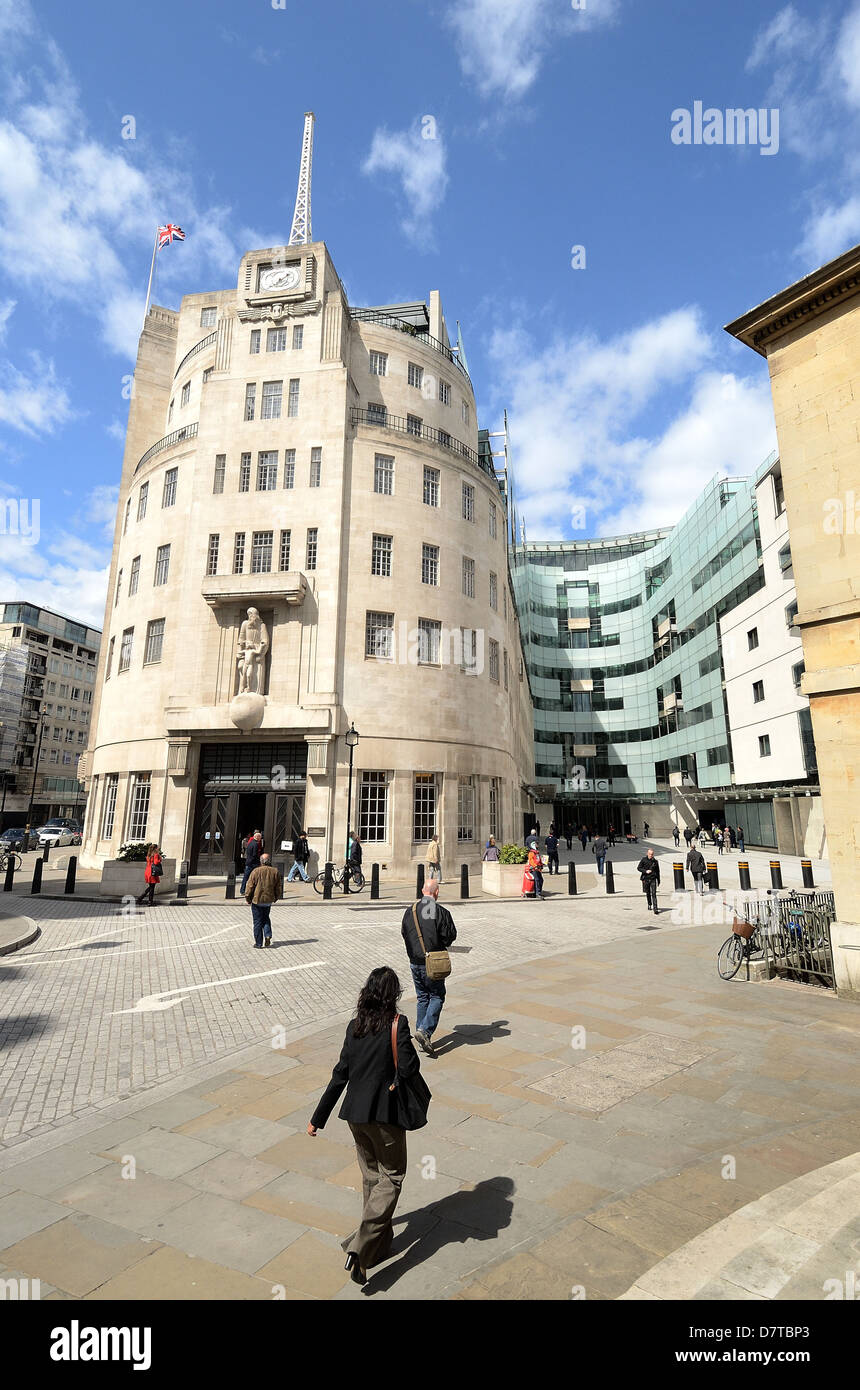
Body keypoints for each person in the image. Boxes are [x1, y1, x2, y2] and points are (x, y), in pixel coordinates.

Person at [308, 967, 424, 1286]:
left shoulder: (353, 1026)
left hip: (355, 1116)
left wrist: (317, 1118)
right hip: (385, 1116)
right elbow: (410, 1067)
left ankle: (376, 1249)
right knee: (392, 1176)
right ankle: (360, 1247)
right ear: (393, 996)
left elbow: (339, 1074)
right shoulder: (397, 1025)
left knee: (372, 1178)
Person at [402, 880, 457, 1056]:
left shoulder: (410, 910)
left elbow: (404, 933)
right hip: (432, 962)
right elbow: (449, 936)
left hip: (414, 961)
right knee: (437, 996)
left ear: (422, 891)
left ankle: (421, 1035)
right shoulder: (440, 912)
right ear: (436, 892)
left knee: (422, 997)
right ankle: (425, 1031)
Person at [244, 852, 282, 948]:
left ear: (261, 861)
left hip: (257, 900)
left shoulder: (256, 871)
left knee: (257, 921)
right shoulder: (275, 871)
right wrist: (276, 897)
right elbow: (278, 887)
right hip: (268, 900)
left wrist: (248, 898)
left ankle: (259, 943)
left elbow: (250, 886)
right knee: (265, 918)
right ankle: (268, 935)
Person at [636, 847, 660, 914]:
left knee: (654, 894)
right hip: (646, 878)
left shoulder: (655, 862)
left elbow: (658, 871)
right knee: (648, 893)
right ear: (647, 853)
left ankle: (655, 909)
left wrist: (658, 880)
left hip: (653, 879)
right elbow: (638, 868)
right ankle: (649, 904)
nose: (651, 855)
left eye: (652, 854)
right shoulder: (643, 860)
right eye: (650, 854)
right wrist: (646, 871)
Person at [240, 829, 262, 894]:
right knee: (257, 877)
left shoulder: (250, 843)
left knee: (245, 878)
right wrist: (258, 862)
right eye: (260, 837)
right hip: (253, 863)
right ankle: (255, 890)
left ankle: (242, 890)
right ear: (257, 837)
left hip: (248, 862)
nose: (260, 839)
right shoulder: (255, 844)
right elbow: (254, 854)